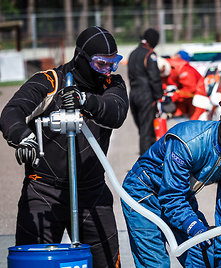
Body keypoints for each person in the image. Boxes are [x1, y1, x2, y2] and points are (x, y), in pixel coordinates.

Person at [0, 26, 128, 267]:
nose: (107, 71)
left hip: (92, 191)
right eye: (101, 64)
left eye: (114, 63)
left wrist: (85, 100)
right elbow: (12, 112)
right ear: (81, 58)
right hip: (44, 189)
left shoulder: (113, 85)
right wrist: (23, 136)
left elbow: (116, 112)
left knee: (108, 263)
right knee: (34, 262)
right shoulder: (49, 81)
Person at [121, 96, 221, 267]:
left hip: (179, 196)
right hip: (143, 192)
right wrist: (193, 226)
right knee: (156, 263)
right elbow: (171, 197)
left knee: (207, 260)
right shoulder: (188, 141)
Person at [128, 28, 164, 155]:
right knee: (147, 131)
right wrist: (160, 96)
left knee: (142, 129)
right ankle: (146, 163)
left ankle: (146, 157)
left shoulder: (132, 53)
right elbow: (155, 78)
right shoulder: (150, 55)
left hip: (133, 95)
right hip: (146, 96)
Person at [163, 51, 206, 119]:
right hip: (186, 99)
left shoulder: (183, 68)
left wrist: (173, 96)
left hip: (196, 98)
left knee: (193, 123)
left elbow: (190, 89)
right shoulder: (170, 66)